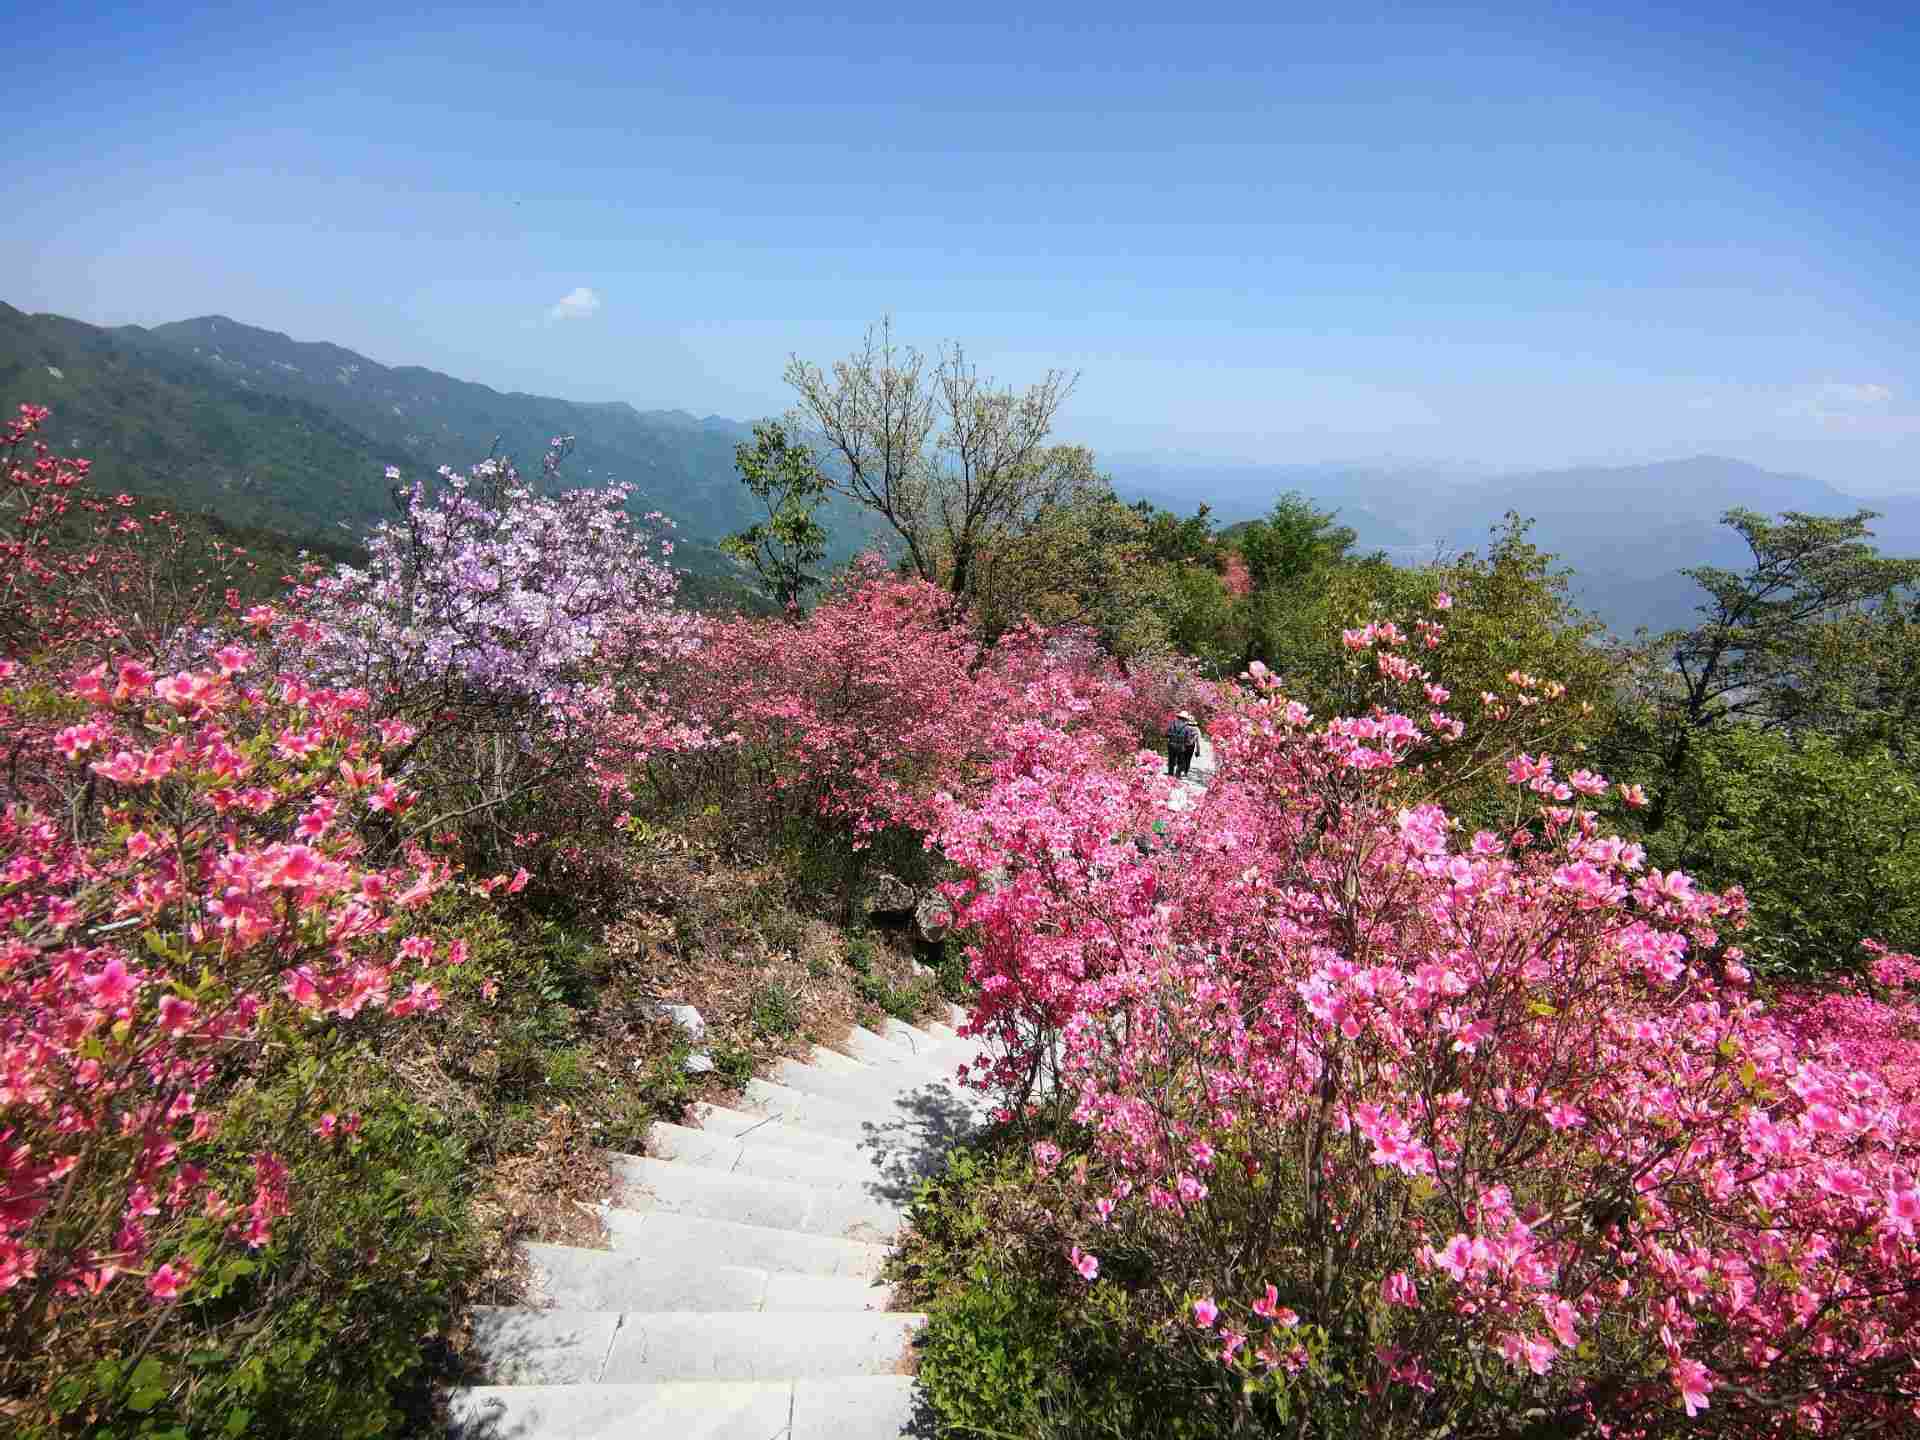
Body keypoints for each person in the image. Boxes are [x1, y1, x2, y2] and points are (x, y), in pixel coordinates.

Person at [1166, 709, 1200, 778]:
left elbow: (1166, 734)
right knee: (1180, 762)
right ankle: (1177, 776)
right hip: (1180, 746)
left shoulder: (1172, 723)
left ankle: (1170, 774)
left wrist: (1171, 736)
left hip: (1171, 744)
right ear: (1185, 718)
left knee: (1171, 760)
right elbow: (1187, 739)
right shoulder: (1186, 727)